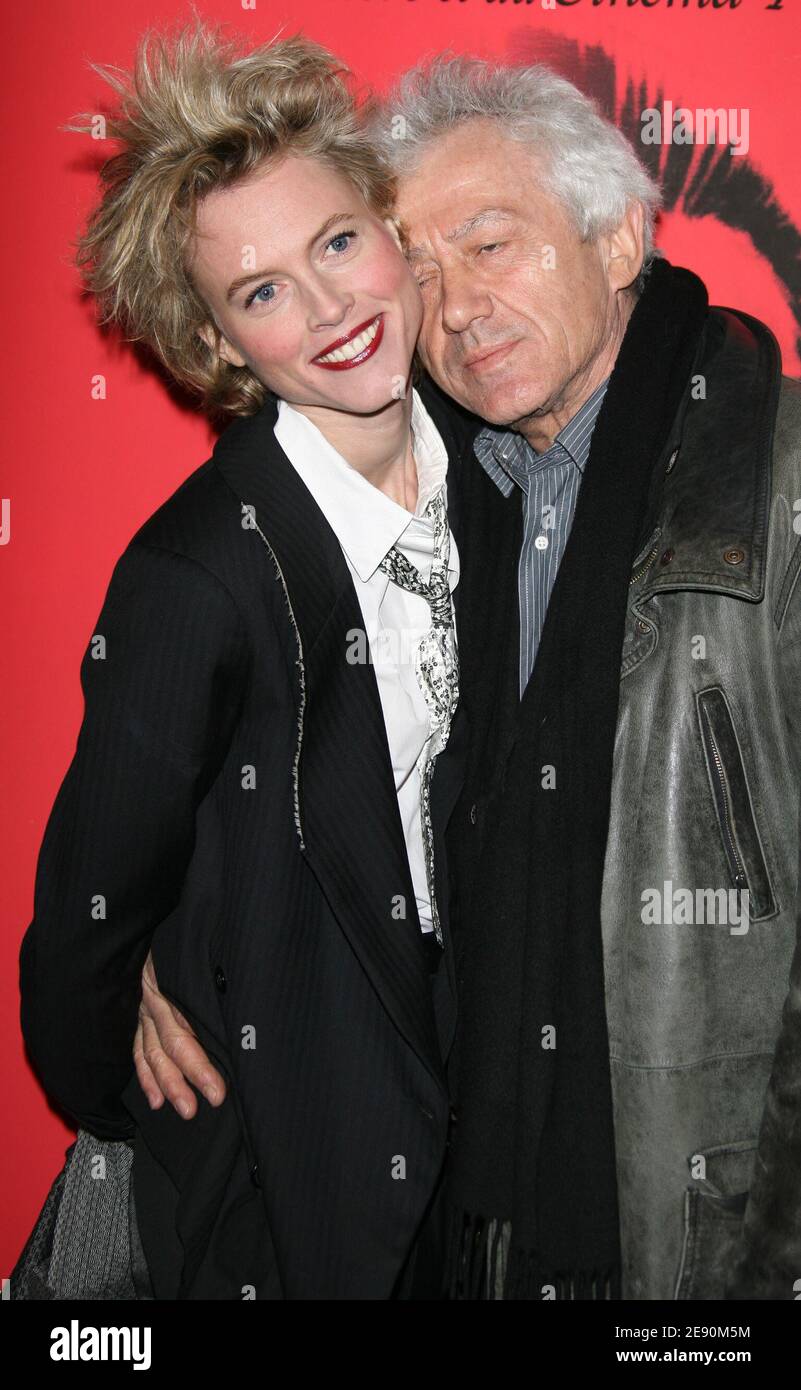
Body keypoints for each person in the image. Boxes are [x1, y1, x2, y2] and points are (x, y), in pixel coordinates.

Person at [139, 53, 801, 1301]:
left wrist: (769, 1267)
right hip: (472, 1228)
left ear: (616, 242)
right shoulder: (436, 502)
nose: (455, 309)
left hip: (692, 1241)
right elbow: (277, 777)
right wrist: (140, 948)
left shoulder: (776, 486)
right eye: (424, 271)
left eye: (492, 246)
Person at [18, 20, 473, 1299]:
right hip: (294, 1192)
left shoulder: (497, 472)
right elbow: (77, 942)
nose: (329, 309)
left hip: (482, 1149)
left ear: (391, 227)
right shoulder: (198, 576)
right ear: (218, 342)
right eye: (262, 289)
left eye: (336, 242)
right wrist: (165, 1076)